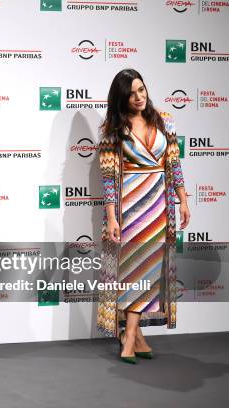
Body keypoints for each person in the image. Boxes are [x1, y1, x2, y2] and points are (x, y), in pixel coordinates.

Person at [97, 69, 190, 364]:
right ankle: (130, 337)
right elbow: (109, 177)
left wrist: (183, 200)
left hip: (159, 208)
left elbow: (174, 164)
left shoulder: (165, 120)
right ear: (121, 98)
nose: (139, 97)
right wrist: (111, 217)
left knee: (148, 273)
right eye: (132, 93)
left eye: (142, 90)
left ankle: (132, 335)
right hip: (130, 209)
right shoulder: (113, 129)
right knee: (133, 273)